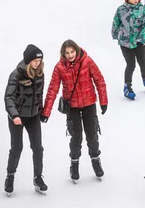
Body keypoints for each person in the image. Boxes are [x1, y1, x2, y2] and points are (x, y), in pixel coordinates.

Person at [42, 40, 108, 182]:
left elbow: (99, 80)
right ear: (63, 54)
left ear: (76, 51)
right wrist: (46, 112)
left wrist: (103, 102)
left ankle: (96, 160)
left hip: (89, 104)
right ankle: (74, 163)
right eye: (67, 53)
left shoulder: (87, 61)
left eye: (72, 52)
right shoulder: (59, 67)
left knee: (92, 134)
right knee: (76, 136)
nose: (70, 55)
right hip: (72, 106)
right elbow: (52, 89)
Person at [4, 44, 47, 195]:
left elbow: (40, 94)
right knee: (17, 148)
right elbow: (8, 97)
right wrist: (14, 115)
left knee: (38, 148)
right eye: (35, 61)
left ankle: (38, 178)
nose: (38, 64)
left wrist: (42, 111)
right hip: (17, 117)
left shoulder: (40, 73)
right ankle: (10, 176)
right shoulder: (16, 75)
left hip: (33, 116)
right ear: (28, 61)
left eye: (39, 61)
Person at [112, 0, 145, 99]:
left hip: (139, 42)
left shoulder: (143, 9)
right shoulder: (121, 10)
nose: (135, 0)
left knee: (143, 62)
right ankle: (127, 86)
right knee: (131, 64)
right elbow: (116, 23)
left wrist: (142, 38)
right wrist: (116, 35)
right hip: (125, 43)